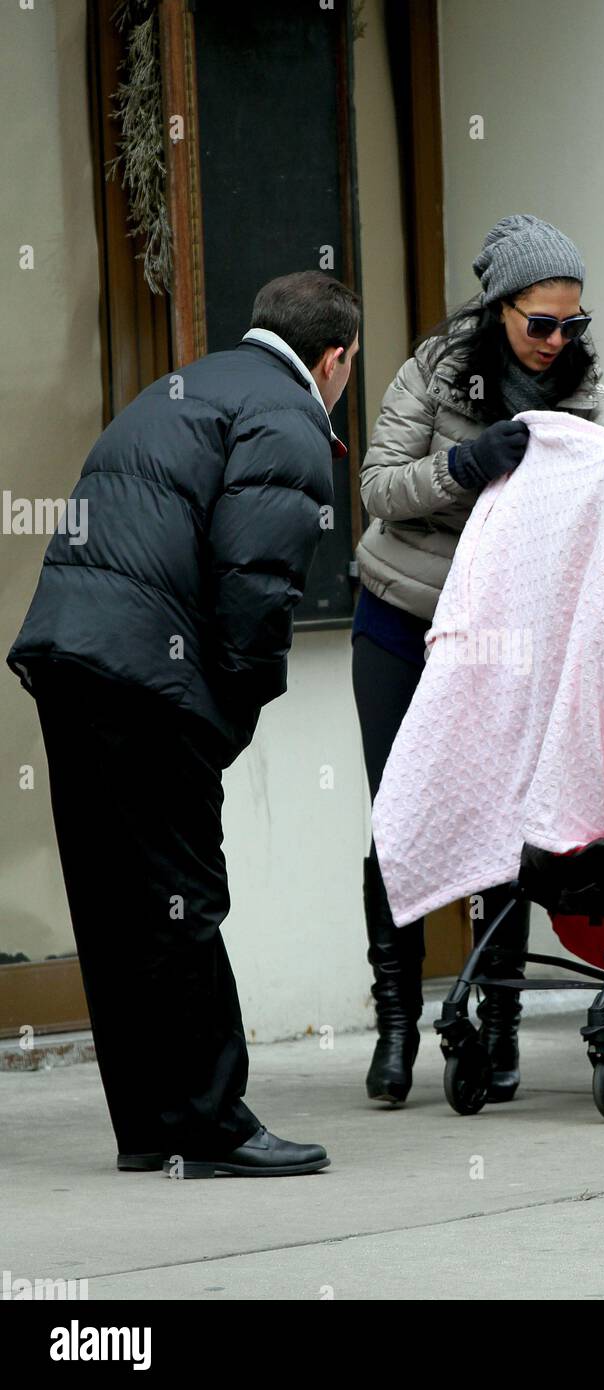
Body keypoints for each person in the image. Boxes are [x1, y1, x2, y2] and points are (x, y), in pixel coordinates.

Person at [7, 270, 360, 1179]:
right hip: (146, 682)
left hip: (67, 657)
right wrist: (224, 718)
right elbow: (256, 589)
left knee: (113, 900)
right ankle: (213, 1124)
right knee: (181, 901)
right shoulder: (289, 420)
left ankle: (149, 1127)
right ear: (336, 358)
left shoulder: (184, 388)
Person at [351, 214, 604, 1106]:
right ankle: (396, 1026)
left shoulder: (578, 382)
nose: (558, 341)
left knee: (508, 819)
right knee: (397, 815)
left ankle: (496, 1029)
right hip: (404, 620)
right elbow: (377, 485)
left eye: (574, 324)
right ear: (499, 312)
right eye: (541, 324)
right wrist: (462, 463)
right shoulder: (434, 369)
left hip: (504, 641)